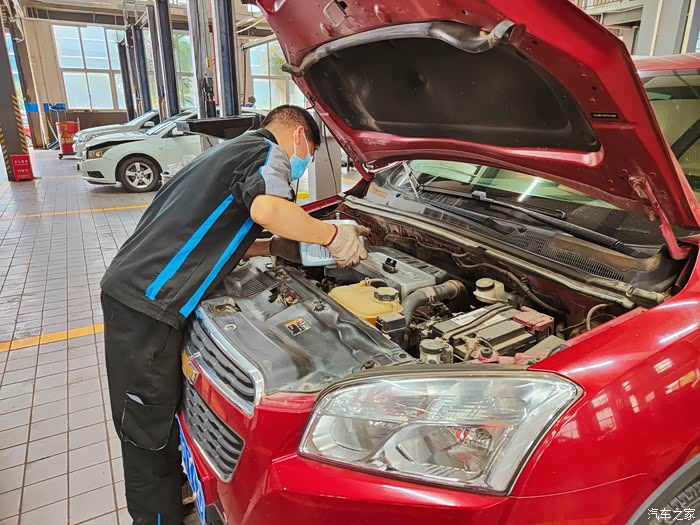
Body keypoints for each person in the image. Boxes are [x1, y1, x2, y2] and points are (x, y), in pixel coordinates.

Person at [100, 105, 368, 525]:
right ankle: (155, 516)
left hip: (137, 291)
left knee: (156, 415)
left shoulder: (228, 151)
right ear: (299, 136)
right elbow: (267, 211)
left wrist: (275, 247)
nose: (301, 166)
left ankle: (176, 490)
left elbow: (218, 226)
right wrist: (332, 235)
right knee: (145, 428)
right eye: (309, 155)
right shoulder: (266, 152)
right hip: (147, 301)